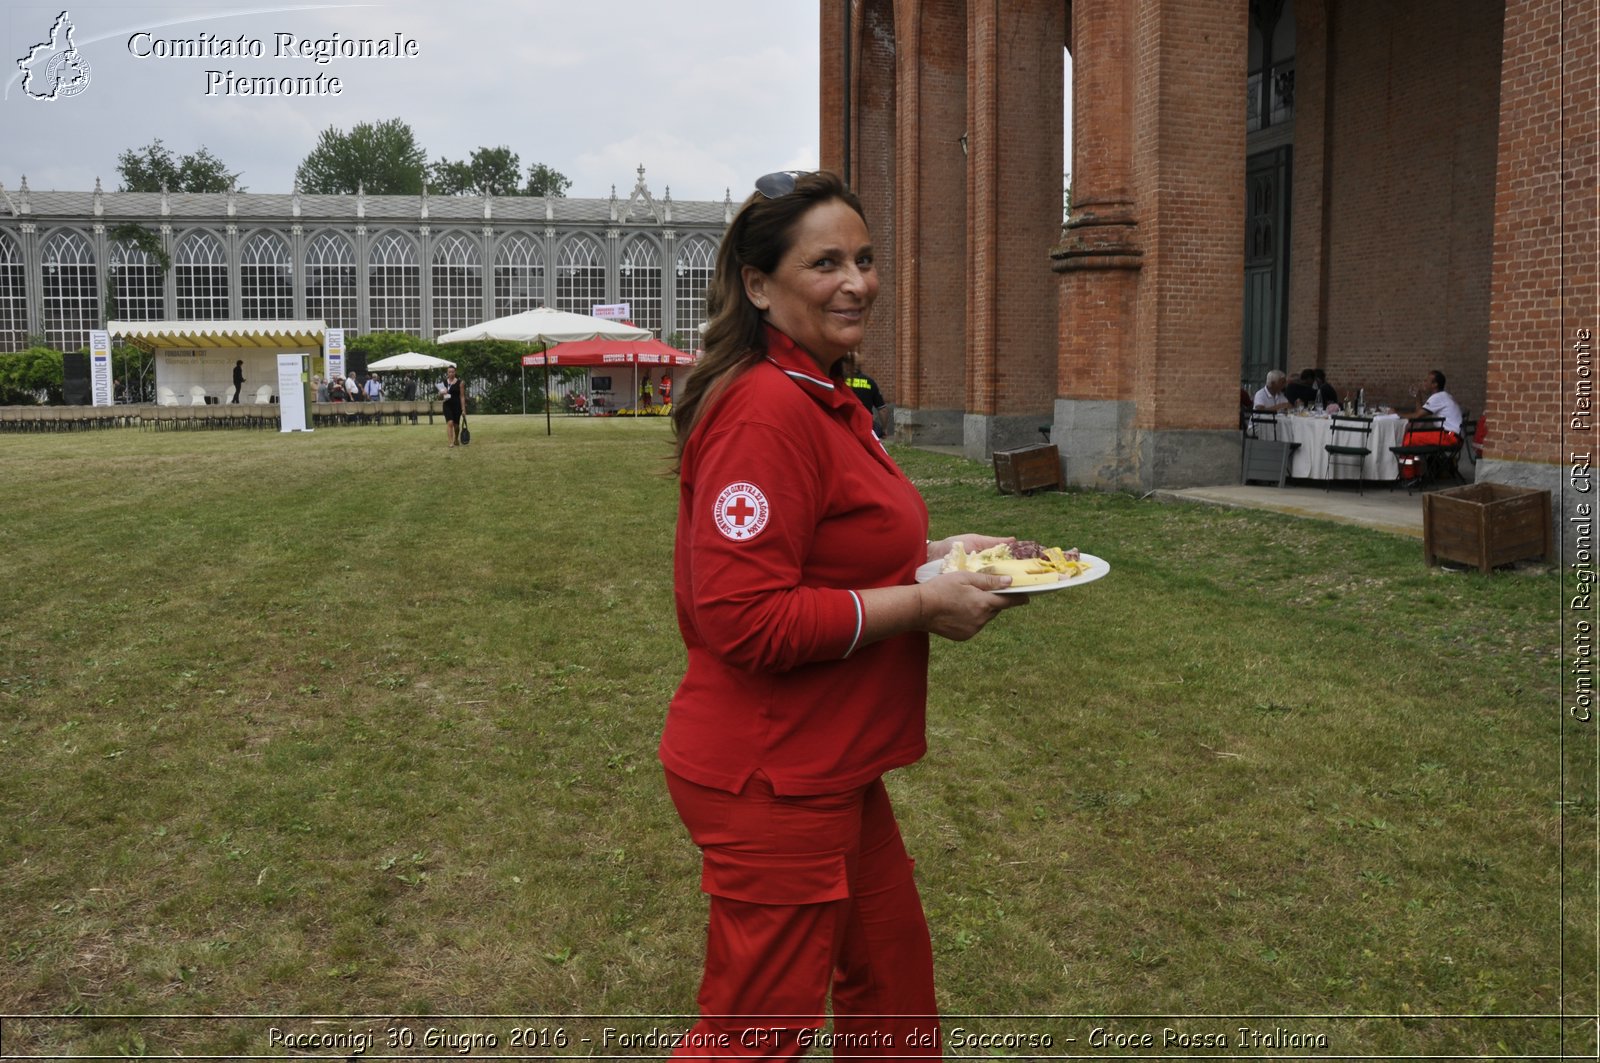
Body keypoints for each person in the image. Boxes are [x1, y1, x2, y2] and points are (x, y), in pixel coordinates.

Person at [662, 169, 1027, 1060]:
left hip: (833, 766)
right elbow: (746, 619)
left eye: (865, 258)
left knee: (894, 998)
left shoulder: (824, 393)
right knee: (755, 1037)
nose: (857, 281)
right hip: (772, 775)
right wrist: (922, 603)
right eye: (826, 262)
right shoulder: (762, 409)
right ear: (758, 285)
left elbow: (839, 556)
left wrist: (950, 558)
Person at [1400, 368, 1464, 443]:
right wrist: (1418, 396)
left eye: (1426, 381)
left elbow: (1417, 415)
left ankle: (1409, 455)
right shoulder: (1444, 396)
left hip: (1449, 436)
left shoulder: (1438, 397)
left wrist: (1395, 415)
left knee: (1408, 437)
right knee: (1413, 434)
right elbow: (1419, 413)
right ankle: (1416, 455)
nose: (1424, 383)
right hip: (1453, 436)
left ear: (1434, 384)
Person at [842, 351, 887, 437]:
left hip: (844, 426)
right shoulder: (870, 382)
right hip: (866, 427)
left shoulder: (840, 381)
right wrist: (884, 429)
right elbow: (883, 409)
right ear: (860, 365)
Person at [439, 365, 465, 446]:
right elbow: (439, 396)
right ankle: (451, 442)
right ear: (447, 373)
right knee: (450, 423)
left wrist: (463, 409)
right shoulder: (443, 382)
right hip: (447, 404)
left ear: (455, 372)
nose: (451, 373)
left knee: (456, 426)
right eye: (449, 372)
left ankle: (456, 439)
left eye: (452, 372)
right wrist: (441, 393)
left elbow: (462, 396)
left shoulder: (460, 382)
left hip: (457, 406)